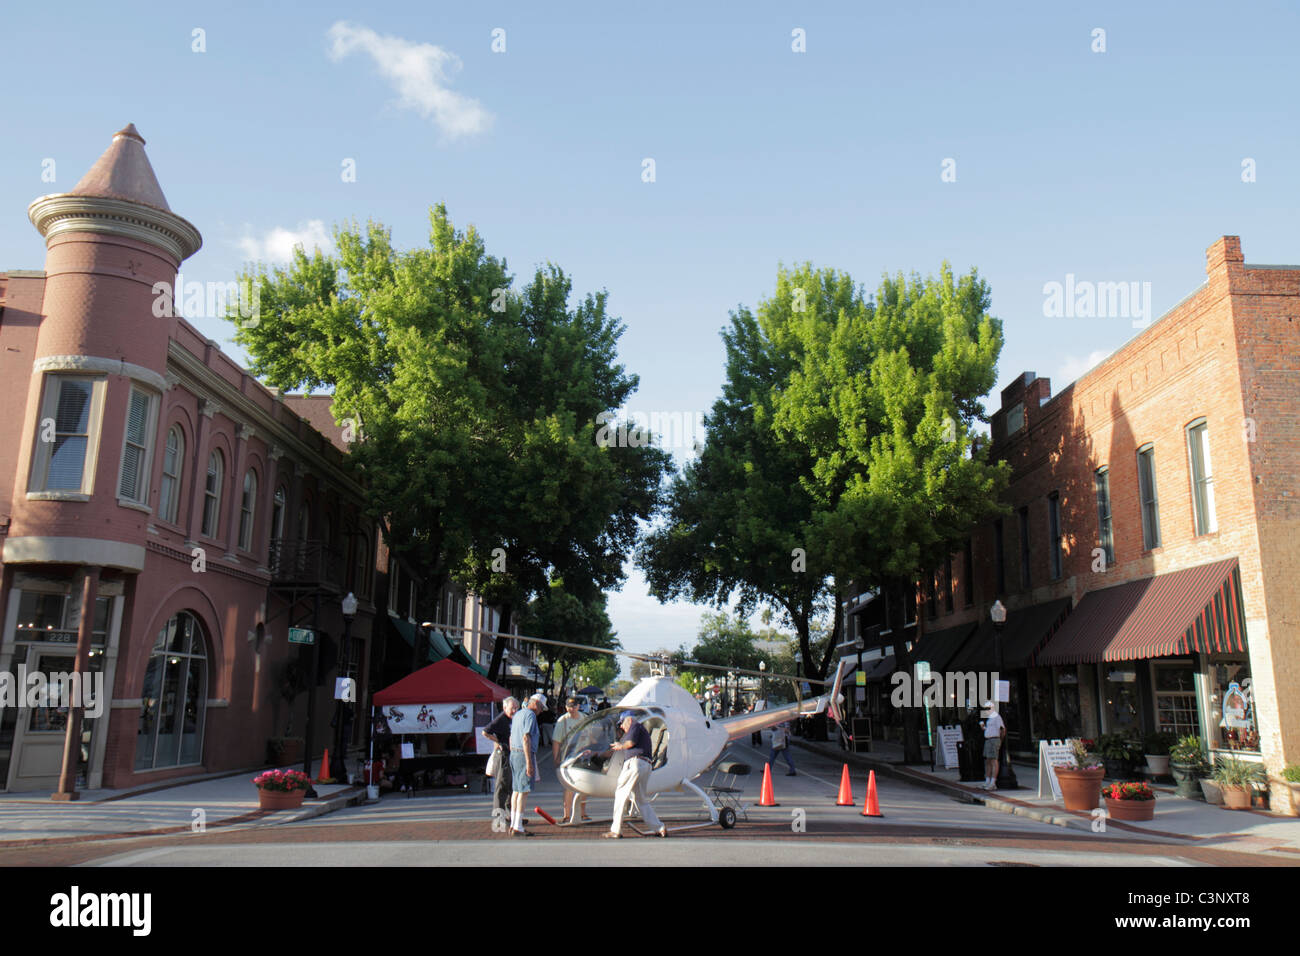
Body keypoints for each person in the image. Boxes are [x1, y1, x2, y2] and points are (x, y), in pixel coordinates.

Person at [600, 711, 666, 839]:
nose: (621, 726)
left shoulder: (634, 725)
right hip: (645, 765)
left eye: (622, 723)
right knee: (640, 799)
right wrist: (598, 754)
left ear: (628, 720)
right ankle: (659, 827)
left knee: (620, 794)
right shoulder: (637, 729)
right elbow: (621, 746)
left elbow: (630, 743)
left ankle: (616, 830)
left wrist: (621, 745)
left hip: (635, 763)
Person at [508, 693, 546, 836]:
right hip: (524, 754)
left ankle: (514, 823)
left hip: (514, 753)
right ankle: (518, 826)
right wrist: (529, 761)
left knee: (516, 790)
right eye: (541, 707)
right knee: (523, 791)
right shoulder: (530, 716)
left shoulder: (518, 714)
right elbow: (526, 737)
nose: (541, 711)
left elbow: (512, 736)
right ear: (535, 704)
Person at [481, 696, 519, 826]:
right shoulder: (501, 719)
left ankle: (511, 815)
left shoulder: (515, 719)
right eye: (511, 708)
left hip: (513, 755)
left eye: (516, 708)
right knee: (501, 786)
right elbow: (485, 732)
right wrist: (497, 741)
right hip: (503, 755)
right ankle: (498, 818)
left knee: (512, 787)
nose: (514, 710)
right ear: (504, 708)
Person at [552, 697, 590, 824]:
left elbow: (591, 736)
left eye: (574, 706)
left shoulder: (584, 718)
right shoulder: (562, 721)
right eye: (569, 706)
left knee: (584, 785)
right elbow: (556, 742)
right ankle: (567, 815)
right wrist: (556, 758)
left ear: (578, 706)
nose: (571, 709)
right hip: (568, 756)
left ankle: (583, 813)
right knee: (568, 786)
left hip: (583, 755)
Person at [982, 700, 1006, 790]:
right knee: (988, 760)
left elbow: (1002, 729)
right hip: (988, 740)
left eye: (988, 708)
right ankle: (987, 781)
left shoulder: (997, 717)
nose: (987, 710)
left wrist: (999, 740)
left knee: (993, 761)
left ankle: (993, 782)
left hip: (994, 740)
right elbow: (989, 729)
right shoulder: (990, 718)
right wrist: (983, 728)